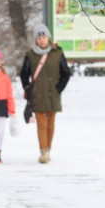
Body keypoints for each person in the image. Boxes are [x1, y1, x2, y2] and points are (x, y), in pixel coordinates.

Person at [20, 22, 71, 164]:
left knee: (51, 123)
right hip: (37, 95)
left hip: (53, 94)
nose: (42, 40)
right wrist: (27, 87)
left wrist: (58, 89)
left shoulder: (58, 53)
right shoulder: (30, 55)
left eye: (44, 37)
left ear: (49, 38)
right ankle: (43, 151)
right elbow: (24, 73)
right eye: (39, 38)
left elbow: (66, 73)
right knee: (41, 123)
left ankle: (48, 149)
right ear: (36, 40)